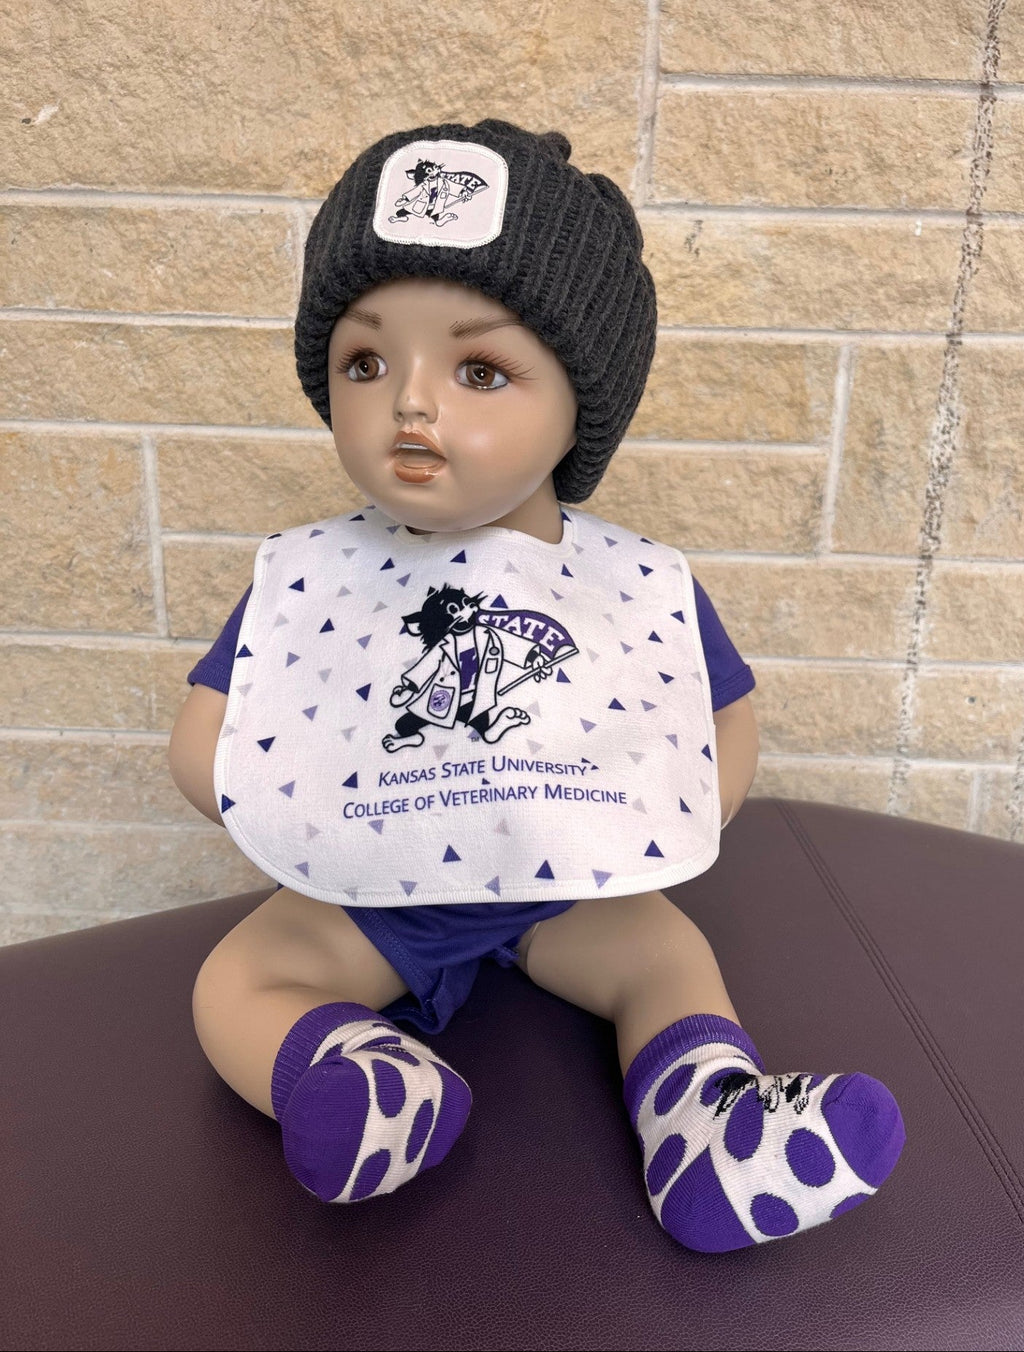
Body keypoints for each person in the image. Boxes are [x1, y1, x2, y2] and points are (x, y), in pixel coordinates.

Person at [168, 120, 904, 1252]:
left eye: (479, 370)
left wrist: (673, 807)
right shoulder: (315, 574)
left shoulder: (627, 582)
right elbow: (214, 729)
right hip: (372, 880)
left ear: (582, 401)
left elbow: (712, 718)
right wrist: (266, 791)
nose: (410, 405)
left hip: (571, 876)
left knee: (664, 954)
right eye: (365, 362)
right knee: (238, 979)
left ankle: (707, 1128)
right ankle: (360, 1078)